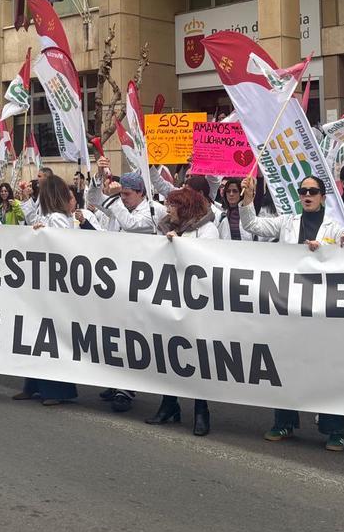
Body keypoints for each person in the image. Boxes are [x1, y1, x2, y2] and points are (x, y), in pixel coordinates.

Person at [239, 174, 344, 450]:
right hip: (289, 306)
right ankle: (284, 422)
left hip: (321, 309)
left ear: (323, 197)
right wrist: (248, 198)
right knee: (284, 363)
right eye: (303, 191)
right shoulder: (287, 222)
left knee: (326, 368)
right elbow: (252, 224)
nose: (307, 195)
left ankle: (335, 429)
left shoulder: (335, 227)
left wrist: (325, 250)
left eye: (312, 191)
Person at [84, 158, 165, 413]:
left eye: (127, 194)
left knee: (131, 338)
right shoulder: (119, 205)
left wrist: (113, 199)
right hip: (114, 281)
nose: (124, 198)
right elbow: (94, 198)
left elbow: (131, 224)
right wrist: (99, 175)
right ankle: (114, 381)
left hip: (139, 285)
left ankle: (126, 389)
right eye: (122, 194)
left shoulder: (154, 210)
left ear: (141, 192)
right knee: (112, 334)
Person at [148, 187, 219, 435]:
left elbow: (208, 259)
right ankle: (169, 404)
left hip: (196, 300)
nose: (168, 209)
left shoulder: (207, 229)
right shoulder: (163, 227)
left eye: (173, 205)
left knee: (197, 357)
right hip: (169, 297)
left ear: (186, 207)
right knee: (169, 353)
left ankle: (201, 410)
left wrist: (179, 245)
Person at [17, 176, 80, 406]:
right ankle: (33, 385)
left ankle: (56, 390)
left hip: (54, 284)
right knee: (35, 335)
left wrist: (45, 235)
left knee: (50, 337)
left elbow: (64, 246)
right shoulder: (47, 216)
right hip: (42, 282)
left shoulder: (58, 218)